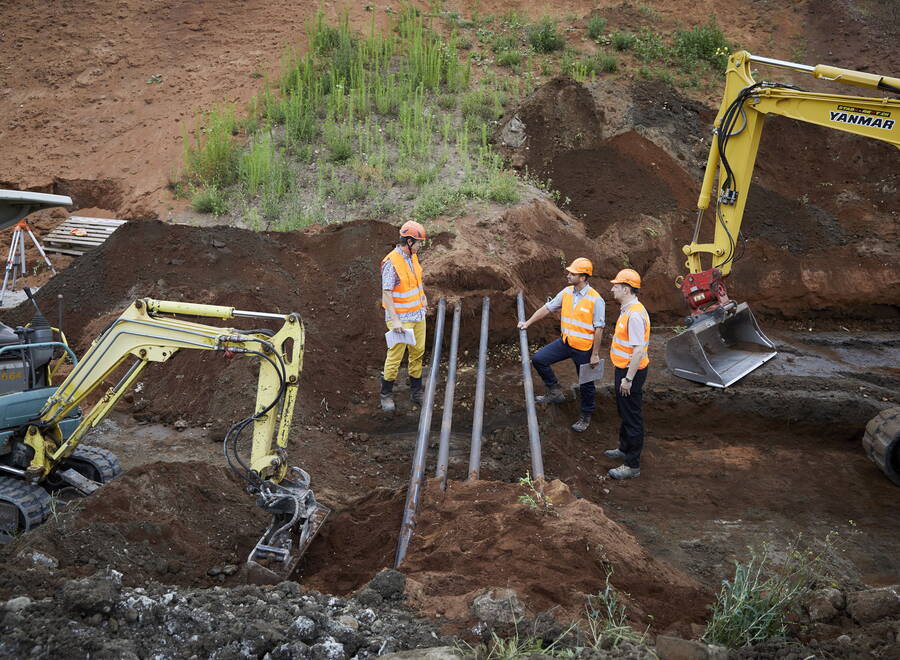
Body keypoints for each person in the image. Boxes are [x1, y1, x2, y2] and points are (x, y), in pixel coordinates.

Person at [517, 258, 605, 432]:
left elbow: (599, 329)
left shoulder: (596, 300)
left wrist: (595, 354)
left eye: (572, 273)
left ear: (583, 277)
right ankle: (555, 390)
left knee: (586, 384)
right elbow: (547, 308)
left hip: (584, 349)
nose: (568, 275)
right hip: (565, 342)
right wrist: (527, 322)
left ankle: (586, 416)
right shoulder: (566, 293)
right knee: (539, 359)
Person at [604, 268, 650, 480]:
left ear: (626, 289)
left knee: (632, 417)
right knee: (625, 412)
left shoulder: (634, 315)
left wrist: (628, 379)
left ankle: (632, 465)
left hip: (631, 372)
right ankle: (624, 448)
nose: (612, 289)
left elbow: (638, 350)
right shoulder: (627, 309)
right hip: (622, 368)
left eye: (616, 286)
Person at [380, 220, 429, 412]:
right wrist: (396, 320)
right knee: (395, 357)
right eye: (419, 243)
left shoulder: (413, 257)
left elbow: (417, 281)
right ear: (409, 242)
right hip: (400, 319)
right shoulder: (392, 262)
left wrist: (423, 296)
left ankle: (416, 391)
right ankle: (385, 394)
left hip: (417, 315)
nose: (420, 246)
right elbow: (386, 293)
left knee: (418, 352)